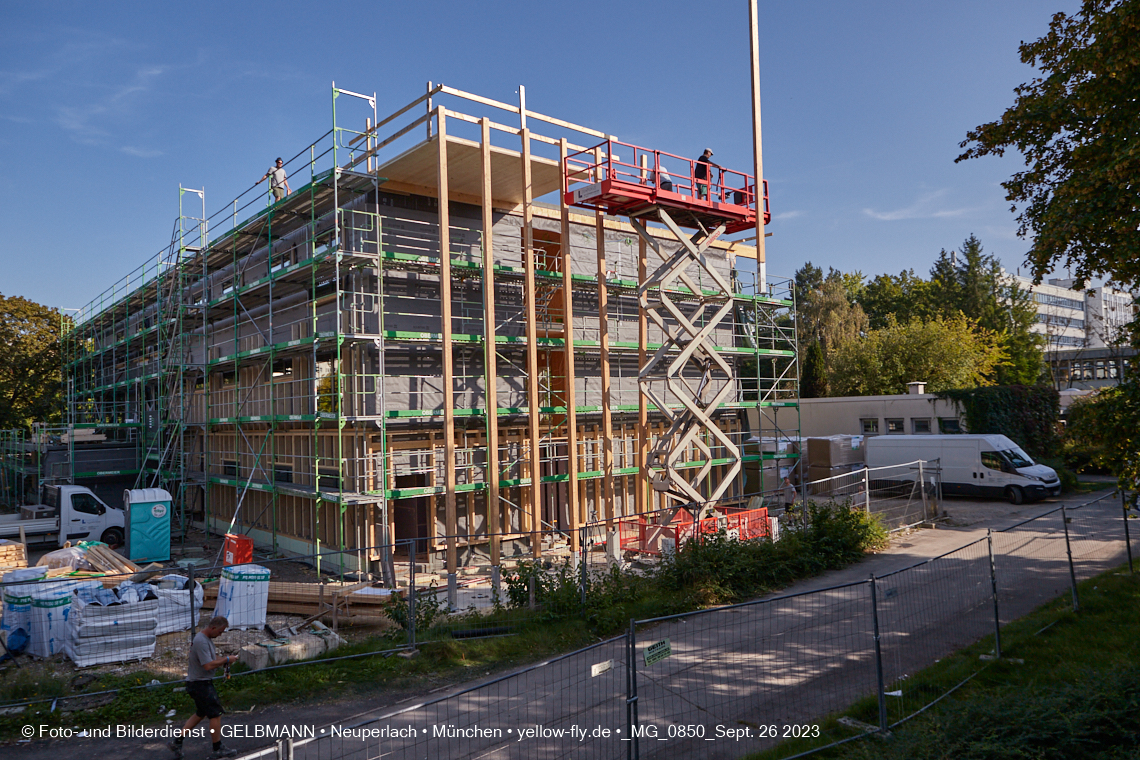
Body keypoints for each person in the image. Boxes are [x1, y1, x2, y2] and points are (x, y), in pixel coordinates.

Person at [168, 616, 239, 759]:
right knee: (215, 714)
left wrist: (223, 661)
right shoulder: (201, 641)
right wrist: (226, 659)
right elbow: (207, 665)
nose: (221, 634)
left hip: (197, 683)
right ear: (213, 628)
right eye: (220, 631)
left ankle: (178, 741)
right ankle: (217, 748)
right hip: (200, 684)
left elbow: (211, 660)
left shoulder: (205, 639)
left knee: (201, 713)